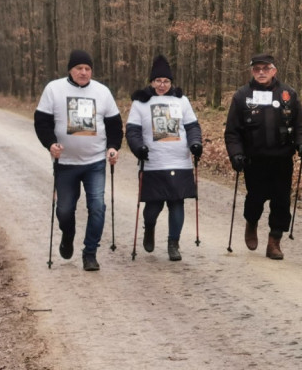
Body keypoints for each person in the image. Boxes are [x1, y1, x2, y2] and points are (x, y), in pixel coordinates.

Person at [34, 50, 122, 271]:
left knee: (98, 207)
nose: (84, 72)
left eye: (87, 69)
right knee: (64, 210)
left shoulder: (102, 92)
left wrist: (113, 147)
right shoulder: (54, 89)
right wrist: (50, 144)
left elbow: (114, 125)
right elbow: (41, 122)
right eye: (79, 68)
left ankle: (90, 253)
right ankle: (68, 234)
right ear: (70, 70)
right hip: (65, 163)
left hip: (94, 162)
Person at [224, 53, 302, 260]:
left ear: (274, 70)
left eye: (265, 68)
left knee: (281, 200)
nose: (261, 73)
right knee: (255, 198)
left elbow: (301, 124)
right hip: (254, 159)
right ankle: (251, 223)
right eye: (257, 69)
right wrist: (236, 154)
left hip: (282, 158)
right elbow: (232, 131)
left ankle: (274, 241)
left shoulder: (287, 93)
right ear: (252, 71)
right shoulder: (242, 96)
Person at [125, 55, 203, 262]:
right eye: (158, 81)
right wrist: (138, 148)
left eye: (166, 81)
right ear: (151, 82)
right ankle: (149, 228)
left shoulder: (181, 100)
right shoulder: (141, 102)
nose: (162, 85)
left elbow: (192, 127)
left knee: (177, 203)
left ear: (171, 82)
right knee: (153, 207)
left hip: (180, 161)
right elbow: (132, 131)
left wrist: (195, 144)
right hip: (153, 162)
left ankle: (173, 244)